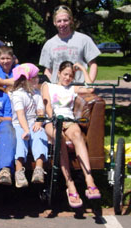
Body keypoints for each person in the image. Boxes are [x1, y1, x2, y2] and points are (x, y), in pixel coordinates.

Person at [41, 61, 101, 208]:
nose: (67, 78)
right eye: (65, 74)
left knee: (77, 135)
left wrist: (82, 68)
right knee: (59, 138)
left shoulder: (73, 88)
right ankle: (70, 183)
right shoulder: (48, 86)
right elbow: (47, 104)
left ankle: (89, 179)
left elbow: (90, 88)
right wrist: (53, 118)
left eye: (71, 75)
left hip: (68, 119)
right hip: (52, 120)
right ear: (59, 73)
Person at [9, 63, 48, 188]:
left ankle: (39, 169)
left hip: (33, 122)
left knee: (40, 134)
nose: (38, 79)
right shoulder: (17, 94)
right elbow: (20, 114)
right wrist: (26, 130)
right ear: (28, 79)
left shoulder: (37, 93)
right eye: (36, 77)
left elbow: (41, 111)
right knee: (20, 138)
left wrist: (38, 122)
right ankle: (19, 171)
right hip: (19, 124)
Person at [39, 5, 101, 83]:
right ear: (54, 23)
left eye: (65, 20)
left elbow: (93, 65)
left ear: (71, 21)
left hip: (78, 87)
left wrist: (89, 85)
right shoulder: (49, 44)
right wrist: (52, 88)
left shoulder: (84, 40)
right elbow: (48, 70)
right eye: (59, 21)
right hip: (57, 90)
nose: (62, 24)